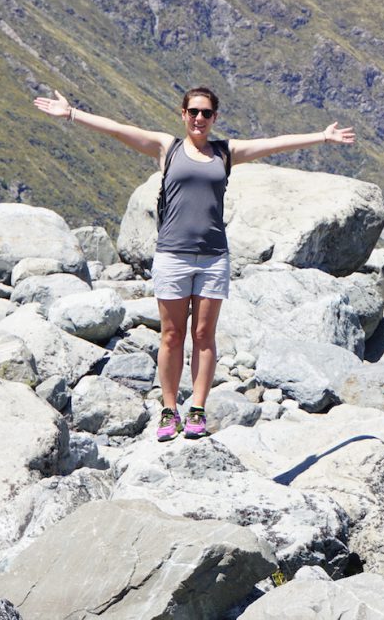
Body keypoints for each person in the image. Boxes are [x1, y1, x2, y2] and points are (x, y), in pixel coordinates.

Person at [33, 86, 355, 442]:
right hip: (172, 255)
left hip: (213, 258)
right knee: (172, 335)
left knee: (203, 335)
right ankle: (169, 410)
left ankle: (197, 409)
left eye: (206, 113)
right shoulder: (167, 148)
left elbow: (274, 144)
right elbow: (119, 130)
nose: (199, 118)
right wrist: (71, 114)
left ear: (214, 117)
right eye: (193, 112)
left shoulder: (225, 152)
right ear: (183, 114)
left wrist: (322, 137)